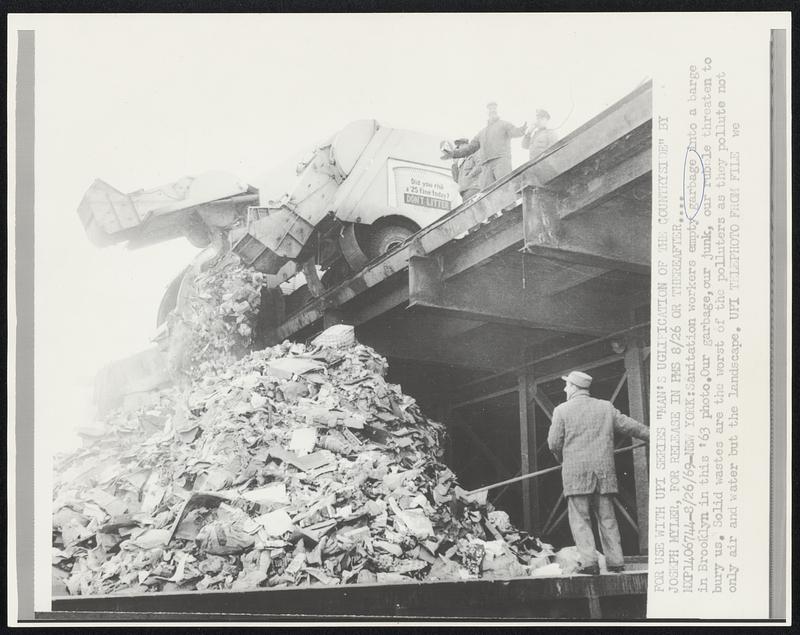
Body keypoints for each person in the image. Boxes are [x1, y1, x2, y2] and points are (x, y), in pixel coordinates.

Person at [547, 370, 650, 575]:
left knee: (580, 521)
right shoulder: (605, 407)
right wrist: (654, 435)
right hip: (604, 475)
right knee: (608, 519)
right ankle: (616, 562)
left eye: (567, 385)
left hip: (575, 476)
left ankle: (590, 564)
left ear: (574, 387)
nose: (565, 388)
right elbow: (631, 427)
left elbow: (553, 444)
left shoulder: (561, 410)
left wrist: (564, 461)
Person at [442, 102, 526, 188]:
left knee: (505, 187)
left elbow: (515, 132)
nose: (492, 110)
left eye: (494, 109)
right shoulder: (482, 133)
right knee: (487, 193)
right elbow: (469, 148)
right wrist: (453, 153)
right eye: (490, 109)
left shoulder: (504, 124)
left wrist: (522, 129)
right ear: (487, 113)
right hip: (486, 165)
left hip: (501, 161)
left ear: (497, 110)